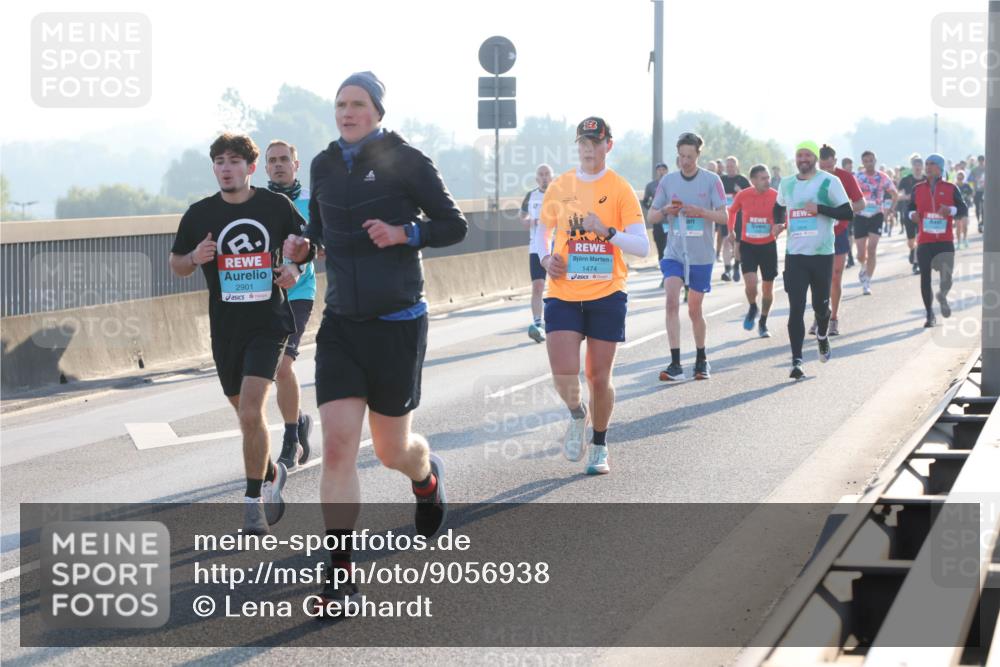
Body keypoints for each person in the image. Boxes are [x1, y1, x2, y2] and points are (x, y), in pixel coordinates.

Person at [283, 72, 468, 613]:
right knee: (339, 447)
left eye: (357, 104)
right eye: (340, 104)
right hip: (341, 324)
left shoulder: (407, 160)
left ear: (377, 111)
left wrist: (404, 233)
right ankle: (340, 572)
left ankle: (426, 478)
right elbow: (317, 229)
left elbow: (454, 225)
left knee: (392, 451)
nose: (347, 112)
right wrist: (302, 245)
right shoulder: (320, 164)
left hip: (398, 322)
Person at [170, 133, 309, 534]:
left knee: (251, 411)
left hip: (269, 323)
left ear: (250, 168)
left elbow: (305, 245)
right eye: (219, 162)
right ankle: (268, 474)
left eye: (233, 161)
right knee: (244, 415)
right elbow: (176, 263)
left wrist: (293, 269)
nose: (225, 168)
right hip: (225, 329)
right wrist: (195, 257)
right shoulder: (199, 214)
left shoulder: (274, 205)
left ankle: (253, 505)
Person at [533, 116, 649, 475]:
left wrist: (608, 231)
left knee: (598, 377)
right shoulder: (561, 185)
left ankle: (599, 444)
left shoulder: (620, 189)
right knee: (564, 373)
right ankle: (576, 414)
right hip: (564, 291)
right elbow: (542, 230)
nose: (588, 148)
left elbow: (642, 246)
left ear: (608, 146)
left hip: (606, 292)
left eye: (595, 142)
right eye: (582, 142)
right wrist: (544, 257)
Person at [648, 131, 728, 381]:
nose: (684, 161)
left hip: (701, 255)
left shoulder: (711, 180)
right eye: (681, 156)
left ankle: (701, 359)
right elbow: (651, 217)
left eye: (689, 157)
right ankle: (675, 364)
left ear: (698, 156)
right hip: (674, 253)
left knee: (694, 310)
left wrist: (701, 212)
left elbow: (724, 217)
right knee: (671, 301)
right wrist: (664, 210)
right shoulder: (668, 181)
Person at [775, 141, 853, 380]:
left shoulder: (829, 181)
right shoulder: (787, 183)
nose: (803, 159)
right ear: (795, 159)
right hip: (795, 256)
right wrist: (778, 223)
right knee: (796, 309)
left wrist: (819, 208)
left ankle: (822, 335)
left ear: (815, 158)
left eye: (808, 155)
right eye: (800, 155)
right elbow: (777, 207)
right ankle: (796, 361)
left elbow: (847, 212)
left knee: (821, 307)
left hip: (821, 255)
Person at [264, 140, 315, 470]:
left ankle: (291, 438)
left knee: (283, 365)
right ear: (265, 167)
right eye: (273, 161)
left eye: (285, 159)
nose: (279, 164)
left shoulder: (312, 204)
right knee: (266, 370)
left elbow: (323, 244)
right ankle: (299, 419)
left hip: (298, 294)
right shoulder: (258, 203)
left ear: (296, 165)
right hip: (263, 296)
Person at [907, 153, 967, 328]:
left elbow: (963, 209)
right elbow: (909, 209)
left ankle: (943, 295)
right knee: (924, 277)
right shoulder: (917, 189)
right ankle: (929, 314)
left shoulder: (950, 187)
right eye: (926, 164)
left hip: (944, 241)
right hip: (925, 241)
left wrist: (950, 210)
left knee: (946, 279)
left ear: (940, 168)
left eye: (932, 164)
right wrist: (912, 215)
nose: (928, 167)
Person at [728, 164, 784, 337]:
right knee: (751, 285)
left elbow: (785, 215)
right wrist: (731, 230)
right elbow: (732, 211)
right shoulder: (743, 195)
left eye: (768, 177)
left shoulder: (776, 195)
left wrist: (781, 226)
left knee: (768, 289)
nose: (767, 181)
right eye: (763, 178)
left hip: (768, 246)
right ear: (753, 181)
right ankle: (753, 306)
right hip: (748, 245)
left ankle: (763, 322)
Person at [818, 144, 865, 336]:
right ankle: (820, 316)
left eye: (830, 167)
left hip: (839, 232)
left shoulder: (846, 177)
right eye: (824, 167)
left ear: (835, 162)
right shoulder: (812, 178)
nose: (827, 171)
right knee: (820, 279)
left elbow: (861, 203)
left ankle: (834, 318)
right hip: (818, 233)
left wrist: (843, 210)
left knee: (836, 275)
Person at [853, 150, 898, 296]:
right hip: (860, 215)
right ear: (862, 162)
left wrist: (890, 209)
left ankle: (867, 281)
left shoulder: (882, 177)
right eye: (866, 161)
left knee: (872, 248)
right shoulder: (858, 177)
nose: (868, 163)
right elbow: (848, 193)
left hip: (876, 215)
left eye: (871, 160)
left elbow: (894, 193)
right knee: (860, 254)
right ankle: (863, 267)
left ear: (875, 160)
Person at [521, 164, 554, 342]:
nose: (544, 177)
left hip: (557, 245)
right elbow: (522, 216)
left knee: (559, 285)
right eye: (541, 174)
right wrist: (528, 220)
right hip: (536, 247)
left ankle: (559, 321)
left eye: (547, 174)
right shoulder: (531, 195)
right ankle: (537, 324)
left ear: (552, 176)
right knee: (538, 286)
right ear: (536, 178)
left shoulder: (559, 194)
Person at [720, 156, 751, 282]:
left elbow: (751, 197)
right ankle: (727, 269)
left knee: (738, 243)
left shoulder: (742, 180)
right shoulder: (721, 180)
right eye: (727, 167)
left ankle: (737, 266)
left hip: (739, 216)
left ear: (737, 167)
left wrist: (741, 192)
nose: (730, 169)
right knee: (726, 241)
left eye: (732, 166)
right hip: (725, 215)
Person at [897, 154, 927, 274]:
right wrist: (907, 196)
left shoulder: (927, 179)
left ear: (923, 166)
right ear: (912, 166)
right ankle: (912, 250)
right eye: (915, 164)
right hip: (909, 211)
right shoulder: (906, 180)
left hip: (923, 212)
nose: (918, 167)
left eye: (920, 164)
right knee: (911, 241)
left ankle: (916, 263)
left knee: (920, 237)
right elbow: (898, 196)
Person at [643, 162, 670, 267]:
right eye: (659, 170)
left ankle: (668, 262)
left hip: (669, 221)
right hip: (658, 220)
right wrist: (651, 210)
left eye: (663, 169)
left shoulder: (671, 183)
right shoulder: (651, 186)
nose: (661, 172)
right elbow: (645, 201)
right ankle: (661, 261)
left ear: (667, 171)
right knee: (659, 242)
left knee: (668, 242)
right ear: (656, 172)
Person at [955, 170, 973, 249]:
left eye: (961, 176)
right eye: (959, 176)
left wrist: (969, 198)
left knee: (965, 225)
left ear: (963, 177)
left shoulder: (967, 185)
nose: (960, 178)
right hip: (956, 208)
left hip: (964, 208)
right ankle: (958, 242)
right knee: (958, 226)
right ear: (957, 177)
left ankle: (965, 239)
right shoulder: (954, 186)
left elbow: (971, 193)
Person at [971, 155, 986, 232]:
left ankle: (982, 222)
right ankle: (978, 221)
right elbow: (972, 180)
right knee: (977, 208)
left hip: (985, 191)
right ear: (978, 161)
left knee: (984, 208)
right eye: (980, 160)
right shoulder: (974, 170)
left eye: (982, 160)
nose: (981, 162)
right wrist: (973, 190)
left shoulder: (987, 168)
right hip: (977, 191)